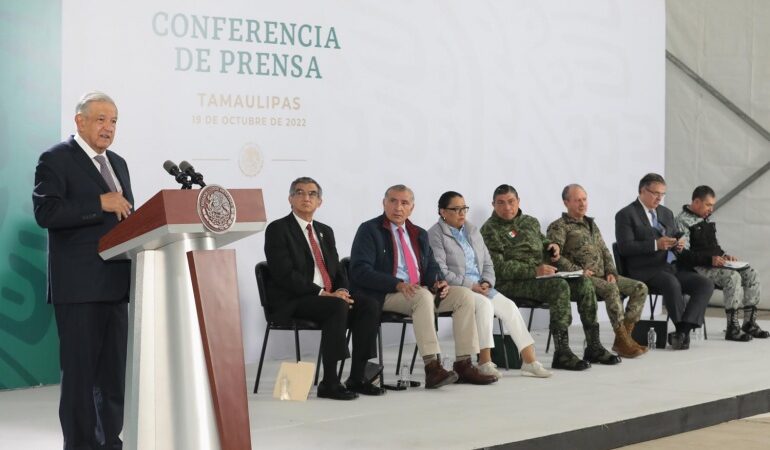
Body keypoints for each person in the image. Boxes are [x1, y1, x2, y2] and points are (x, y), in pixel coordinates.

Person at [33, 91, 134, 449]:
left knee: (112, 379)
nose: (109, 128)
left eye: (114, 121)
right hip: (78, 289)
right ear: (80, 121)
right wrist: (98, 203)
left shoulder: (118, 163)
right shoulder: (56, 159)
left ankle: (110, 443)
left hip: (115, 285)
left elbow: (126, 218)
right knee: (80, 378)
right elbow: (47, 214)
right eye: (101, 119)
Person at [349, 185, 497, 388]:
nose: (398, 207)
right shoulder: (369, 230)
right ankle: (432, 367)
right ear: (384, 203)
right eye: (393, 201)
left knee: (464, 296)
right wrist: (397, 284)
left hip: (418, 293)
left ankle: (463, 363)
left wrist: (438, 282)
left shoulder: (418, 233)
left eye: (404, 203)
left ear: (412, 207)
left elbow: (431, 267)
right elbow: (359, 270)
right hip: (385, 294)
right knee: (422, 296)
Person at [264, 177, 384, 400]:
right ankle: (329, 382)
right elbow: (284, 275)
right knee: (336, 306)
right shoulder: (278, 229)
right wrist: (324, 294)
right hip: (295, 300)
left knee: (368, 304)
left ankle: (358, 377)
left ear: (320, 202)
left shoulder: (324, 231)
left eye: (312, 194)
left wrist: (343, 292)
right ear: (290, 199)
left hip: (328, 298)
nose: (306, 198)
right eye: (299, 193)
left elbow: (337, 270)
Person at [480, 184, 620, 371]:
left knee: (583, 283)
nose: (507, 207)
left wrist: (551, 246)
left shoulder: (530, 222)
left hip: (540, 277)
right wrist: (534, 271)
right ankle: (562, 353)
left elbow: (541, 241)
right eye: (501, 203)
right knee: (558, 286)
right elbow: (498, 268)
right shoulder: (490, 229)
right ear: (493, 205)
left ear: (518, 201)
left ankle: (594, 346)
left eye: (511, 202)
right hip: (511, 283)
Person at [428, 191, 552, 378]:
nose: (462, 213)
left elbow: (487, 262)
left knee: (509, 307)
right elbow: (441, 271)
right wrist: (471, 286)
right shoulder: (435, 235)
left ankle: (529, 360)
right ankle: (484, 361)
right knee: (485, 305)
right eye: (456, 209)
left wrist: (487, 281)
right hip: (459, 290)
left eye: (464, 208)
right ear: (442, 212)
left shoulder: (472, 230)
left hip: (481, 286)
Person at [547, 184, 648, 358]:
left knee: (640, 287)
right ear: (566, 202)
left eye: (584, 199)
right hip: (579, 279)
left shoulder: (591, 224)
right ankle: (623, 340)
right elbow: (554, 257)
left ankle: (623, 339)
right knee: (610, 289)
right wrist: (577, 270)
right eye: (577, 200)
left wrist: (611, 271)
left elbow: (605, 251)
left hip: (602, 276)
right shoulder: (559, 226)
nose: (582, 203)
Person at [615, 173, 714, 350]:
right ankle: (680, 327)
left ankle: (683, 330)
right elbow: (625, 247)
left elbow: (675, 234)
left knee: (705, 284)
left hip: (670, 266)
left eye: (662, 194)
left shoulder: (665, 213)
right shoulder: (626, 214)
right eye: (655, 193)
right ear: (642, 191)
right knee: (672, 283)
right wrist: (655, 244)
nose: (659, 198)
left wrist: (680, 242)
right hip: (645, 269)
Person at [675, 185, 768, 341]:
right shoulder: (681, 221)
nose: (711, 209)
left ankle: (749, 324)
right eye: (708, 205)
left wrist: (724, 256)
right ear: (696, 202)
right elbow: (684, 254)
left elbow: (713, 247)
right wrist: (709, 260)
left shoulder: (706, 218)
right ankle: (732, 328)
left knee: (751, 274)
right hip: (697, 268)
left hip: (713, 264)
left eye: (712, 205)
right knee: (733, 277)